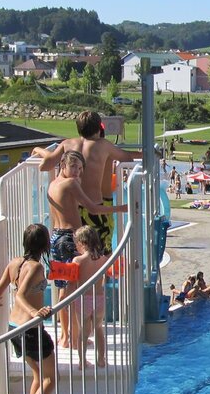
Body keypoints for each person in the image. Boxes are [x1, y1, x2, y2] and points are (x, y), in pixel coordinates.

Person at [0, 224, 57, 394]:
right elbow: (20, 295)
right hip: (30, 328)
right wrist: (35, 312)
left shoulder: (14, 263)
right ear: (45, 244)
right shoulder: (36, 267)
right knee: (50, 379)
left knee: (38, 375)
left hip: (14, 327)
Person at [47, 150, 127, 346]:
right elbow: (93, 208)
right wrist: (121, 208)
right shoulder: (71, 184)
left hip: (56, 238)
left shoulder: (53, 184)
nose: (77, 172)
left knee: (63, 289)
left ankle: (65, 336)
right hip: (70, 239)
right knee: (73, 290)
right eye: (73, 166)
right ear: (63, 165)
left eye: (80, 168)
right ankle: (75, 338)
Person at [32, 110, 137, 252]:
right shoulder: (103, 145)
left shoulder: (67, 144)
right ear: (98, 127)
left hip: (72, 211)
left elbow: (46, 165)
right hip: (95, 208)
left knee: (77, 253)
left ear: (78, 128)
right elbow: (127, 158)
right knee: (100, 254)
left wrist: (39, 150)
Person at [71, 226, 109, 369]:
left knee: (84, 331)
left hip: (83, 299)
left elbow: (73, 281)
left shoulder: (78, 260)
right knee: (98, 328)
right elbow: (106, 278)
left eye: (77, 243)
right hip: (98, 298)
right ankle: (101, 359)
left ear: (82, 242)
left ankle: (82, 362)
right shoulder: (103, 259)